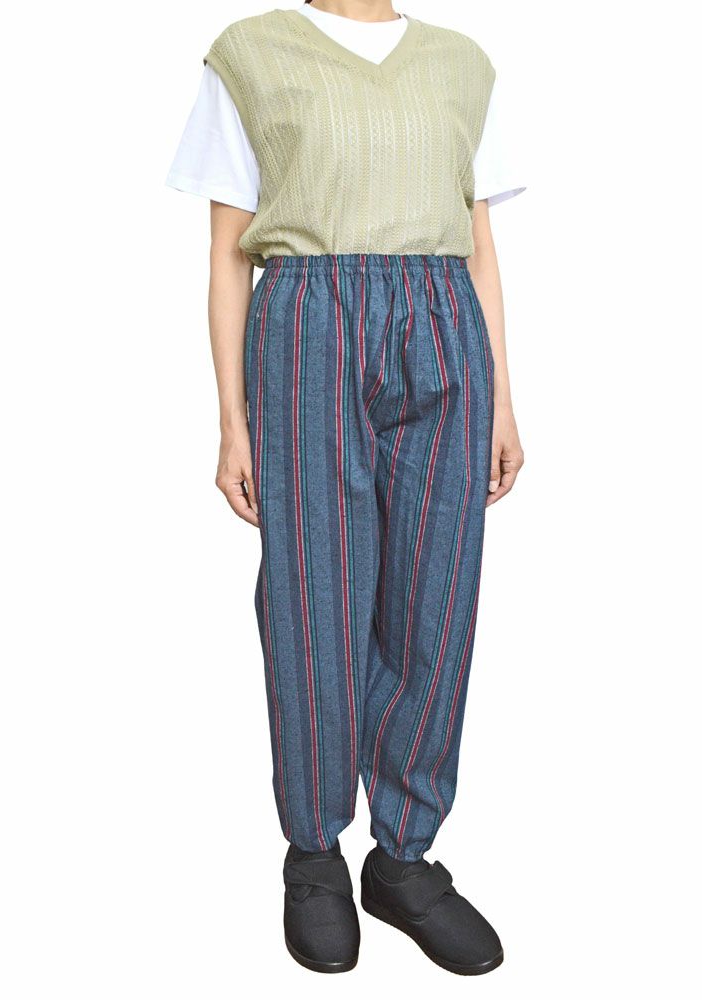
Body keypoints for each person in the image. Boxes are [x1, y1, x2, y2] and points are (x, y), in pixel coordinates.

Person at [166, 0, 524, 976]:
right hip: (309, 320)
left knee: (435, 596)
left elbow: (479, 245)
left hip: (443, 319)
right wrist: (232, 419)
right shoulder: (251, 54)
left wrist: (501, 397)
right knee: (313, 595)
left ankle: (403, 859)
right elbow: (227, 251)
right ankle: (316, 855)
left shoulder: (462, 63)